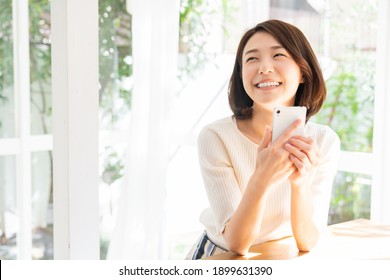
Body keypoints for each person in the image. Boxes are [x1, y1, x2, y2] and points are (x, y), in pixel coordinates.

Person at [186, 19, 340, 260]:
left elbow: (308, 241)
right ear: (241, 74)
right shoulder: (215, 137)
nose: (264, 68)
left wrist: (299, 184)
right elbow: (237, 243)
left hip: (280, 254)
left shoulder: (323, 141)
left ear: (303, 72)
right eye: (252, 58)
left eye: (278, 55)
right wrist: (262, 177)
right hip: (220, 256)